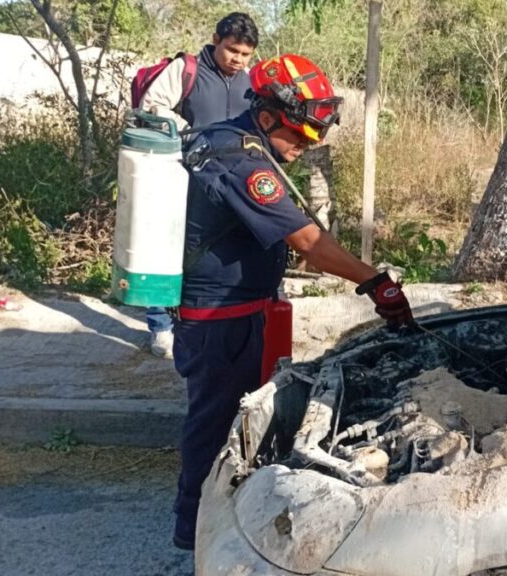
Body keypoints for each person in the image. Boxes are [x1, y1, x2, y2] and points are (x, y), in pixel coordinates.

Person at [170, 53, 413, 551]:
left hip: (236, 312)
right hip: (221, 320)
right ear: (265, 117)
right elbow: (309, 243)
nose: (309, 145)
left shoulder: (231, 140)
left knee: (234, 421)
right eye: (300, 136)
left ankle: (219, 515)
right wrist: (375, 282)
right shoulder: (242, 162)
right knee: (215, 425)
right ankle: (193, 533)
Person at [138, 11, 259, 358]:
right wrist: (191, 134)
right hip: (178, 175)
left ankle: (193, 317)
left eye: (245, 54)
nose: (237, 60)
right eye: (232, 50)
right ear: (216, 40)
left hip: (223, 183)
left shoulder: (248, 82)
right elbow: (152, 106)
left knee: (204, 251)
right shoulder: (186, 69)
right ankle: (160, 326)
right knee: (167, 249)